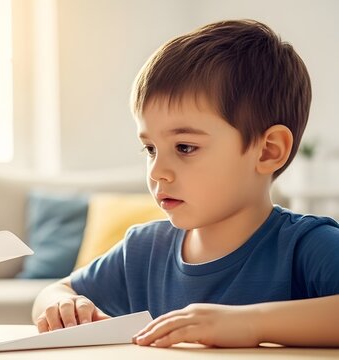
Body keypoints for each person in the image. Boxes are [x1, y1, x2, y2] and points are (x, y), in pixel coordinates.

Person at [32, 19, 339, 347]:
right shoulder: (143, 251)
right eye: (150, 149)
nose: (157, 171)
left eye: (185, 147)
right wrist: (61, 306)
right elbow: (55, 291)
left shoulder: (307, 245)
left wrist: (253, 324)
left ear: (268, 151)